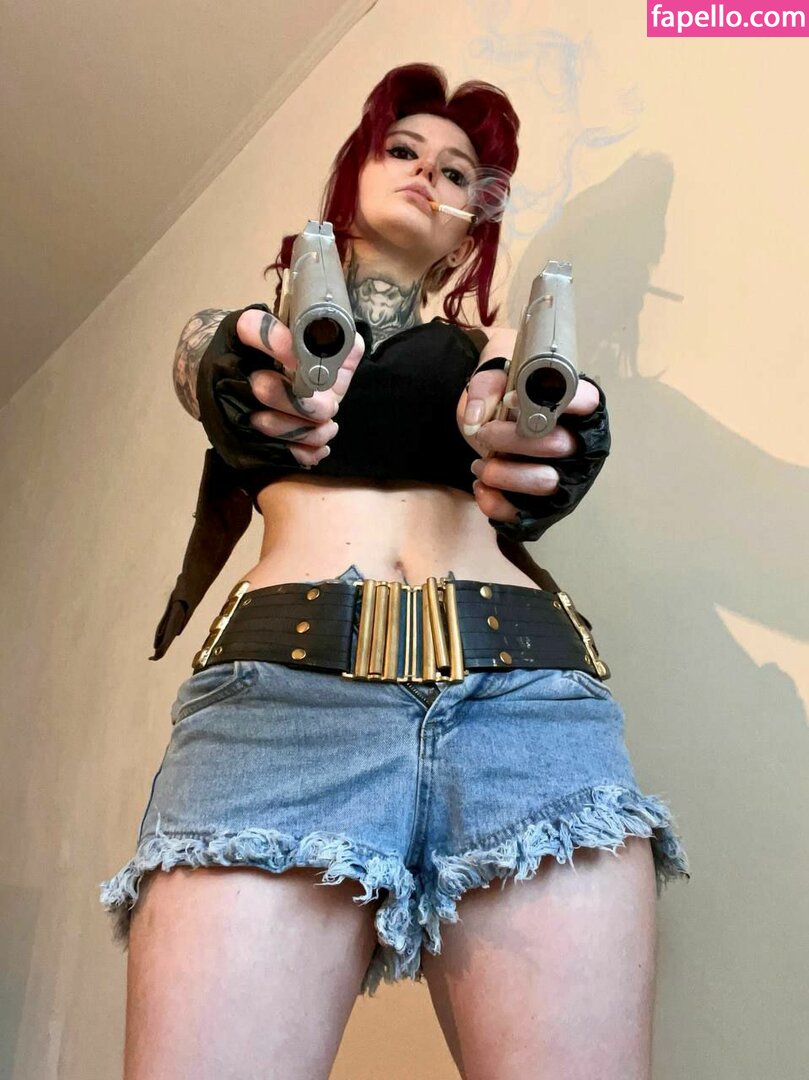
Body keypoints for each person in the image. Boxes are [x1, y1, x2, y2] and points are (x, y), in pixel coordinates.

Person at [99, 63, 690, 1079]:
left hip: (526, 703)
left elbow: (519, 410)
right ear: (351, 178)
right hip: (286, 706)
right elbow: (206, 355)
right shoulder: (256, 335)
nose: (428, 173)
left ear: (469, 231)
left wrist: (556, 437)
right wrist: (237, 366)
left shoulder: (487, 350)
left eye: (457, 172)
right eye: (402, 149)